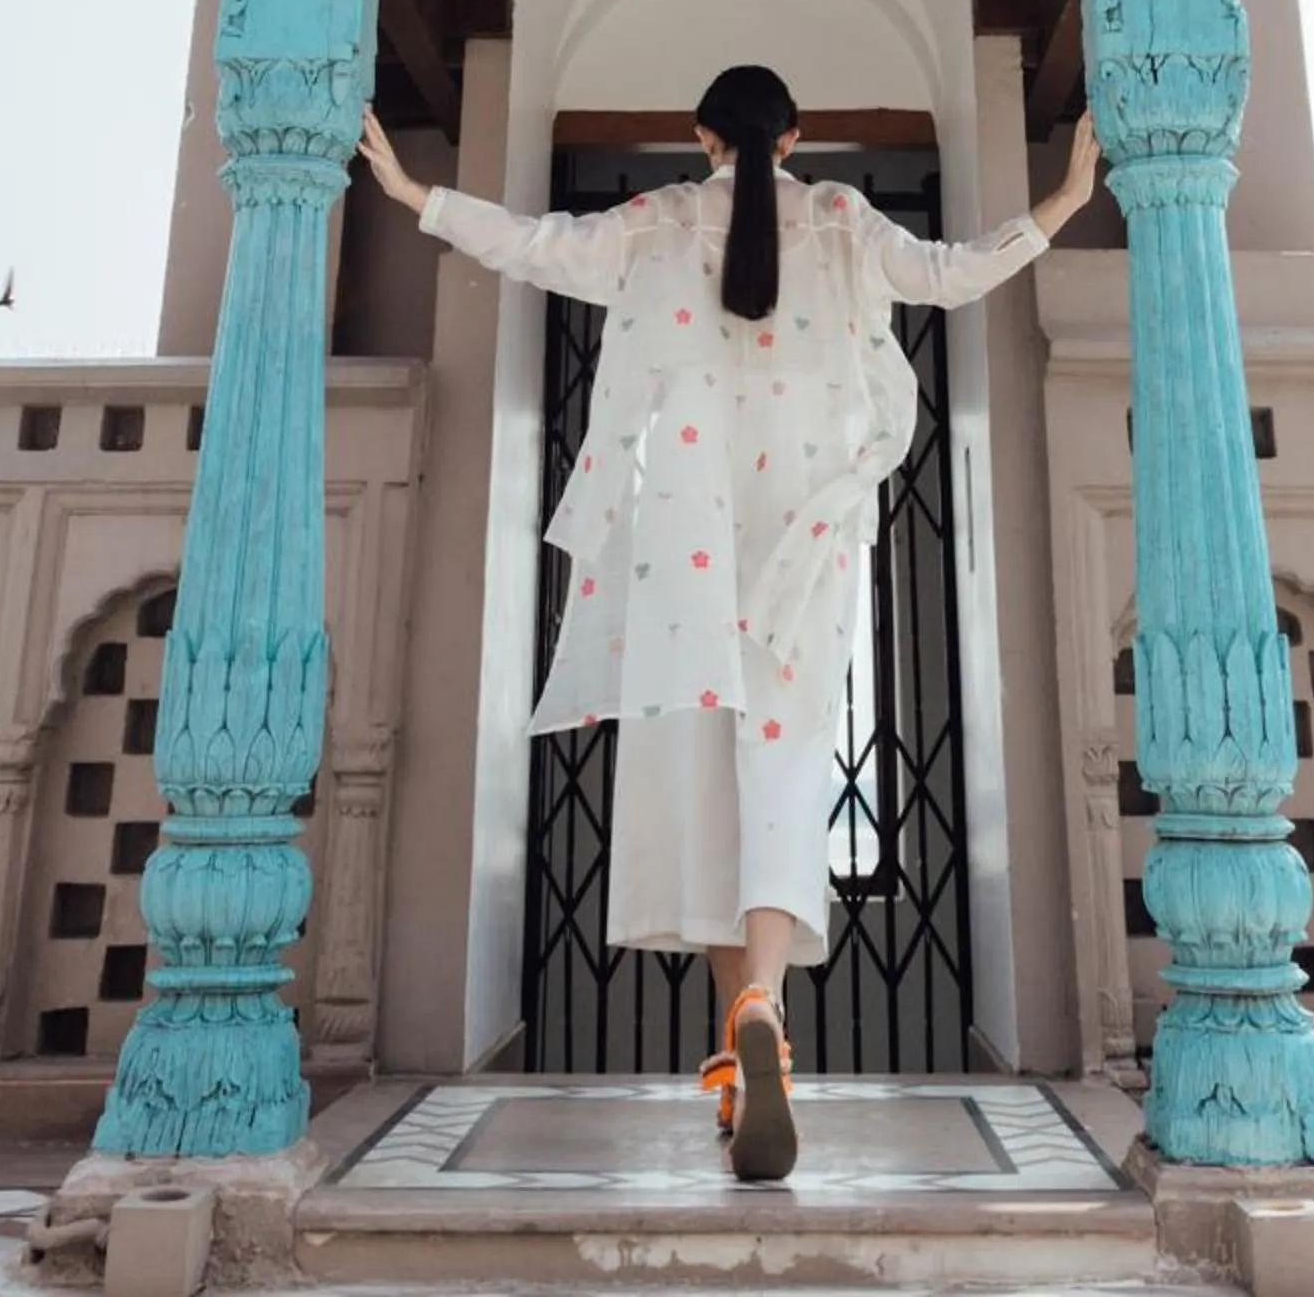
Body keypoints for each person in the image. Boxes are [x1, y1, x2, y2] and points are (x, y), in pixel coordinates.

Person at [357, 67, 1102, 1184]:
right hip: (808, 543)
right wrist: (1062, 202)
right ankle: (760, 1005)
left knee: (701, 788)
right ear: (794, 137)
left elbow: (537, 246)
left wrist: (420, 196)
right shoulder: (844, 219)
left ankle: (737, 1046)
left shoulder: (658, 221)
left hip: (687, 546)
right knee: (784, 776)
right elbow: (950, 276)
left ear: (699, 135)